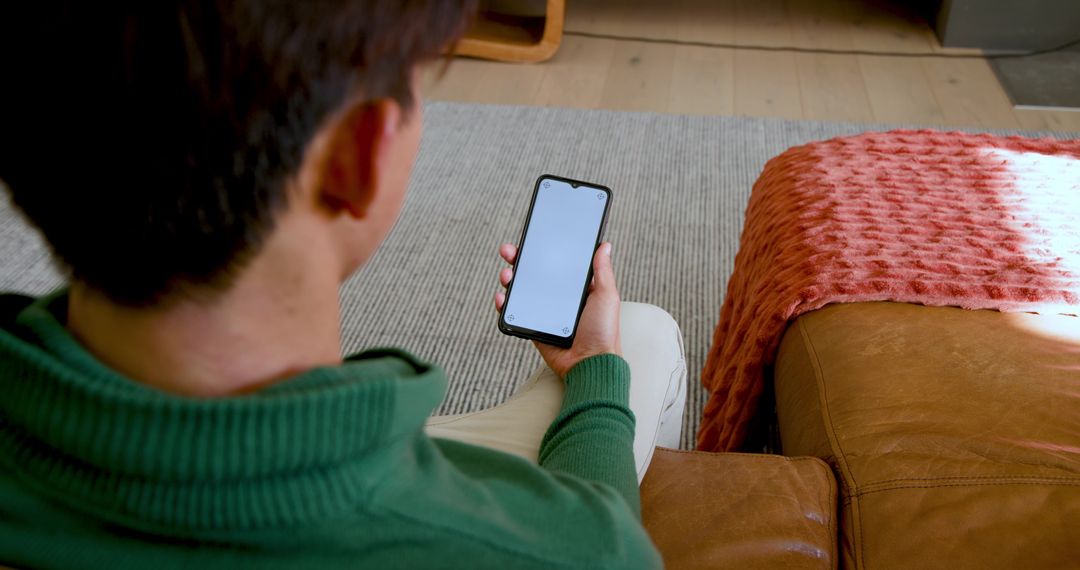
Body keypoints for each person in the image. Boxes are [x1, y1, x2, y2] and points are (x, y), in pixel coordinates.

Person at [0, 2, 686, 568]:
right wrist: (594, 369)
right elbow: (602, 544)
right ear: (361, 153)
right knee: (646, 335)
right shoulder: (566, 554)